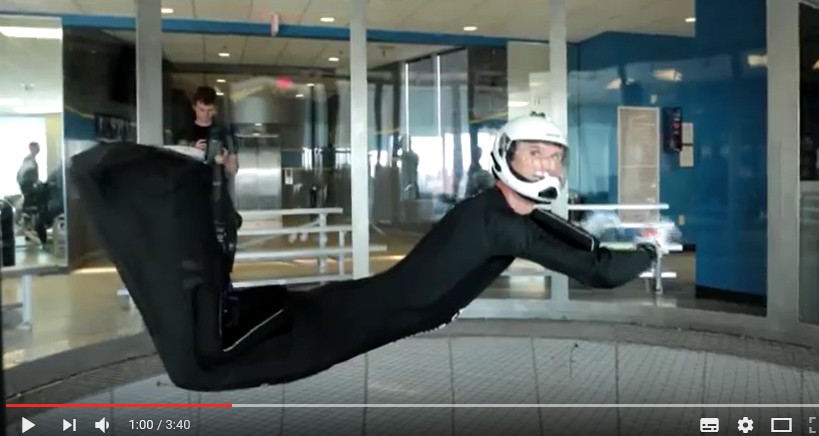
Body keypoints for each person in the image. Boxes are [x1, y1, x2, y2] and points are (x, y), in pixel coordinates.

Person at [69, 114, 661, 392]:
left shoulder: (501, 210)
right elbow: (597, 271)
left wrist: (621, 237)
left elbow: (565, 236)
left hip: (356, 309)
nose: (548, 166)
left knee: (235, 330)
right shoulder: (502, 224)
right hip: (353, 321)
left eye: (555, 157)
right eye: (536, 155)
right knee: (204, 364)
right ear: (508, 157)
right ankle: (167, 193)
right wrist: (651, 250)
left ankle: (193, 206)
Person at [174, 86, 239, 176]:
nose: (205, 114)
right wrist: (193, 152)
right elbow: (176, 167)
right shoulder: (184, 133)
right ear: (194, 107)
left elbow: (233, 170)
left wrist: (226, 161)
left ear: (215, 109)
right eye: (202, 110)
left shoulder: (225, 133)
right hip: (190, 182)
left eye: (210, 110)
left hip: (216, 183)